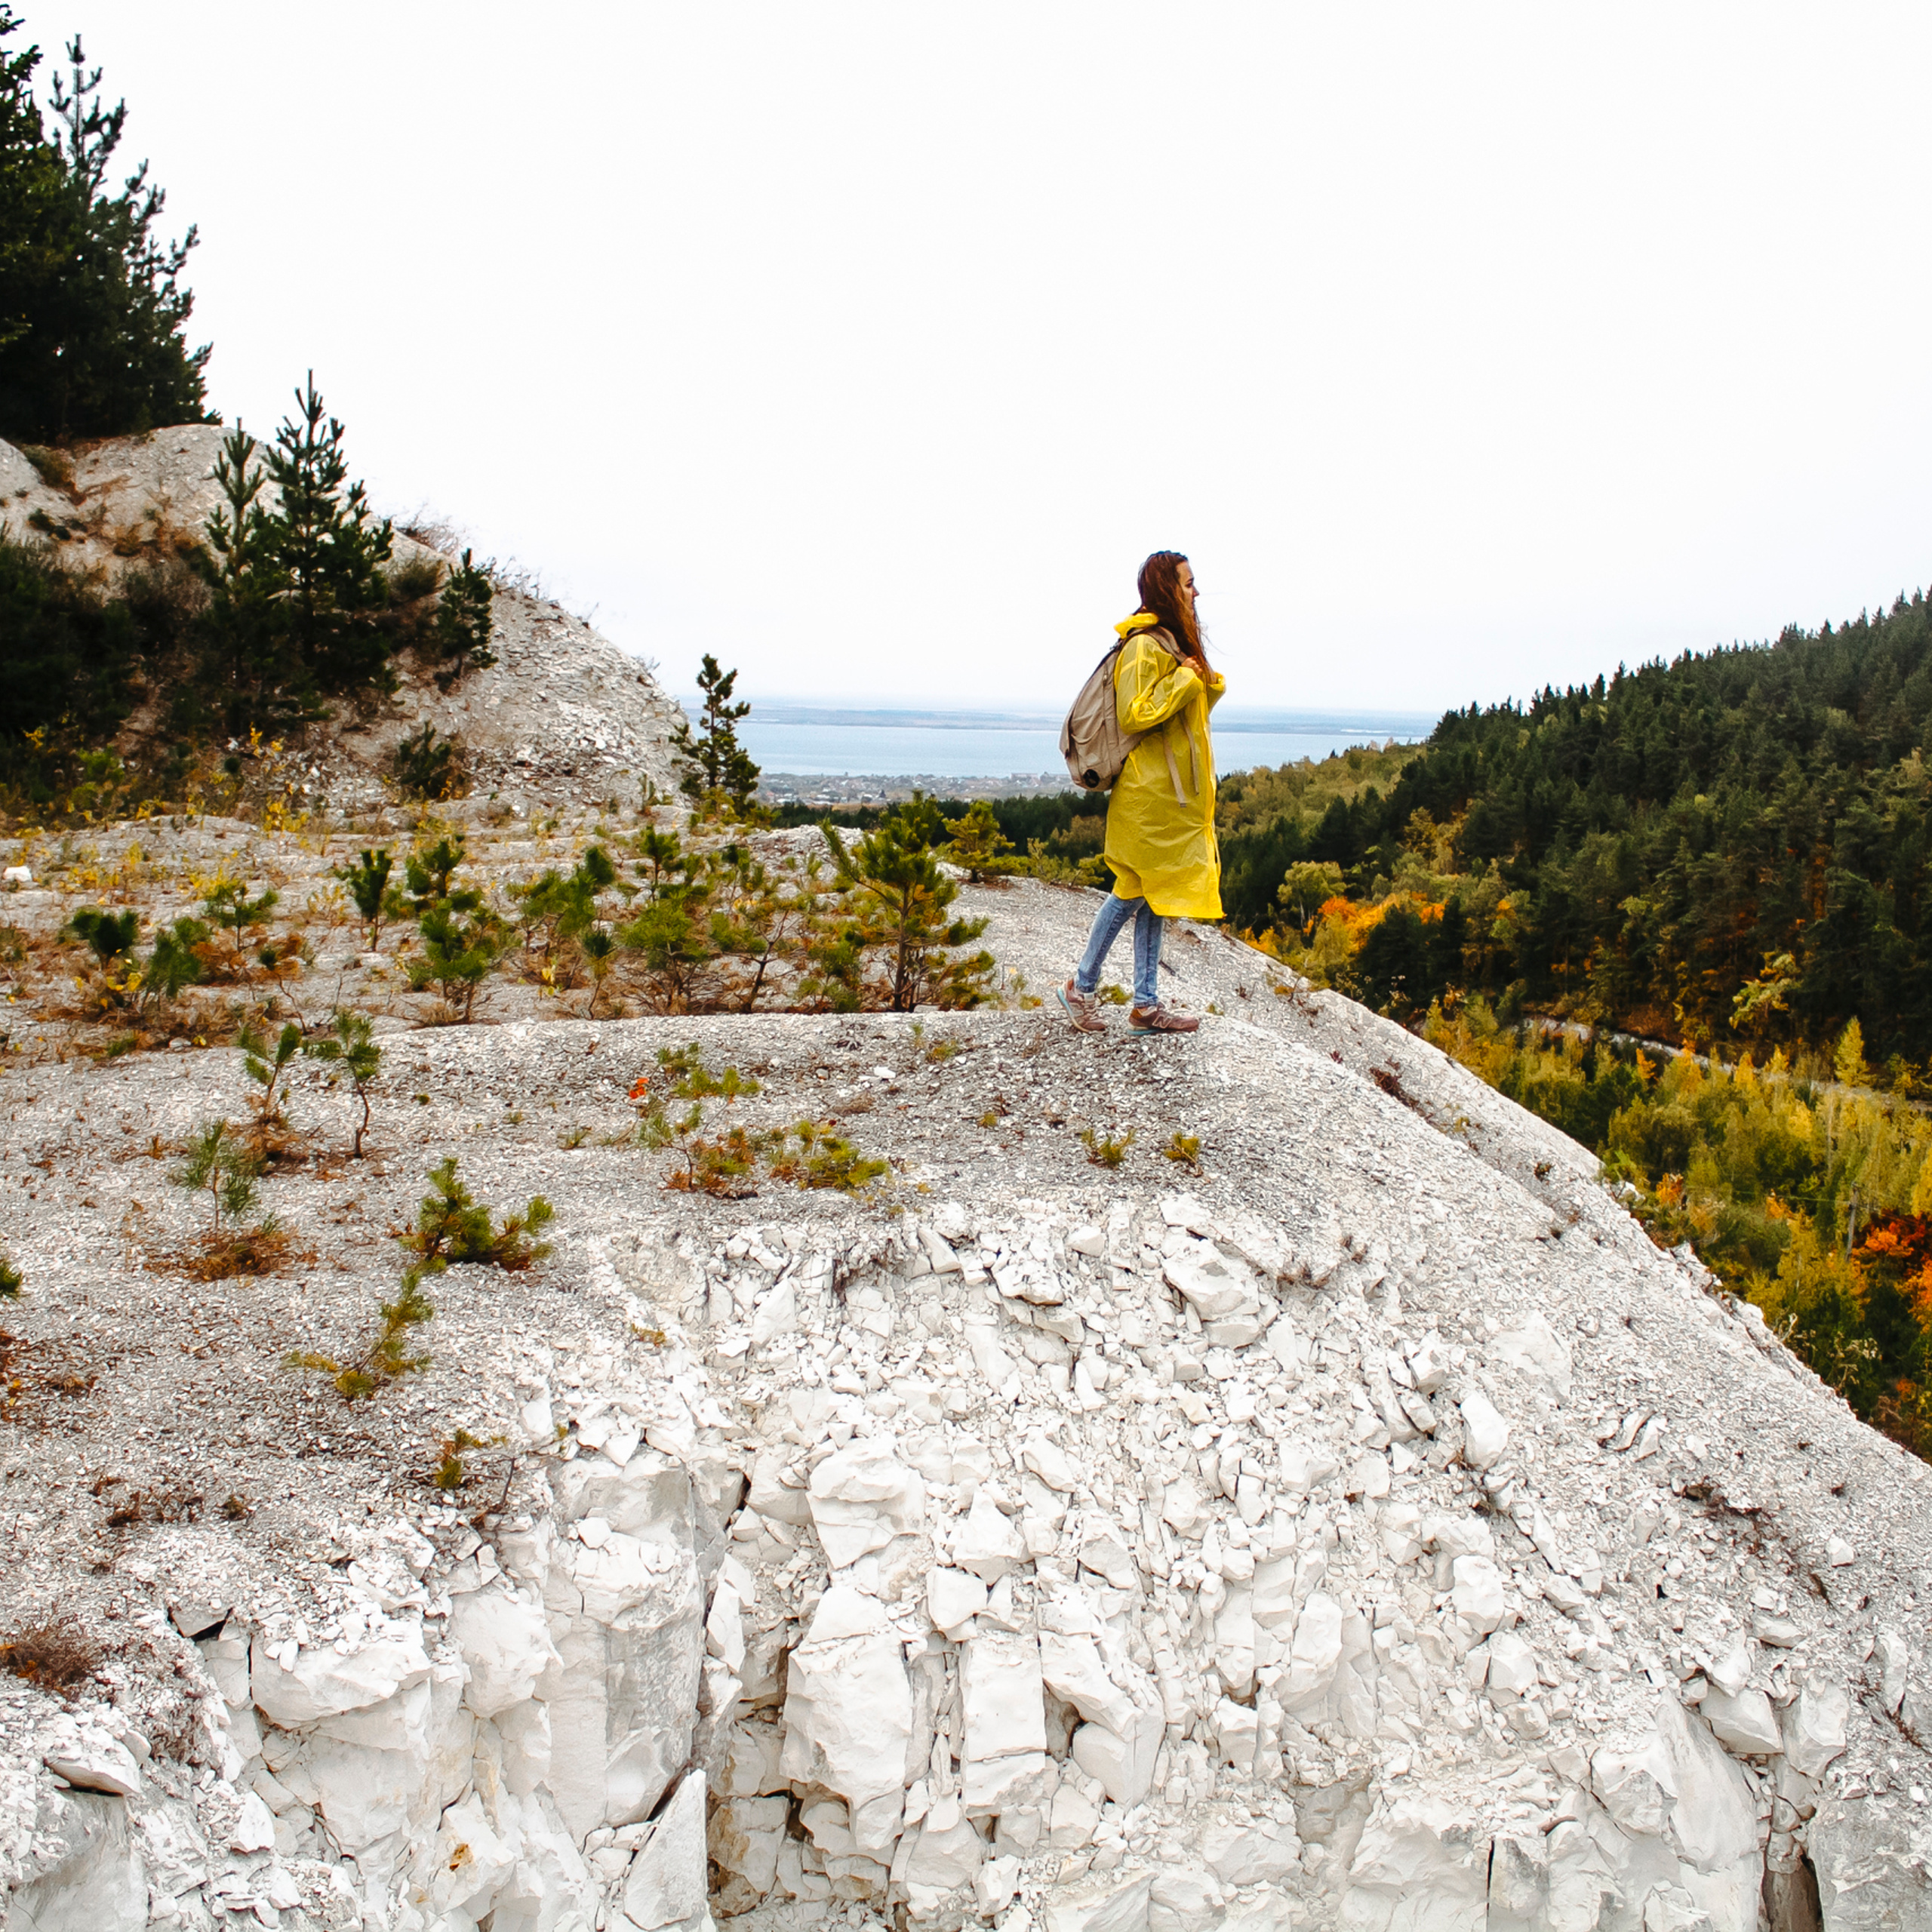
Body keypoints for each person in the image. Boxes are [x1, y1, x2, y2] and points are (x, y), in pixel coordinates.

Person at [1059, 550, 1224, 1035]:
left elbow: (1187, 715)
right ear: (1167, 588)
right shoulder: (1143, 646)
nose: (1196, 591)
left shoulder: (1171, 646)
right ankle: (1081, 986)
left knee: (1158, 895)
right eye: (1188, 583)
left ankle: (1146, 1004)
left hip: (1170, 798)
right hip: (1147, 798)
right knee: (1131, 892)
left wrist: (1201, 681)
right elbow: (1135, 714)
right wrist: (1185, 678)